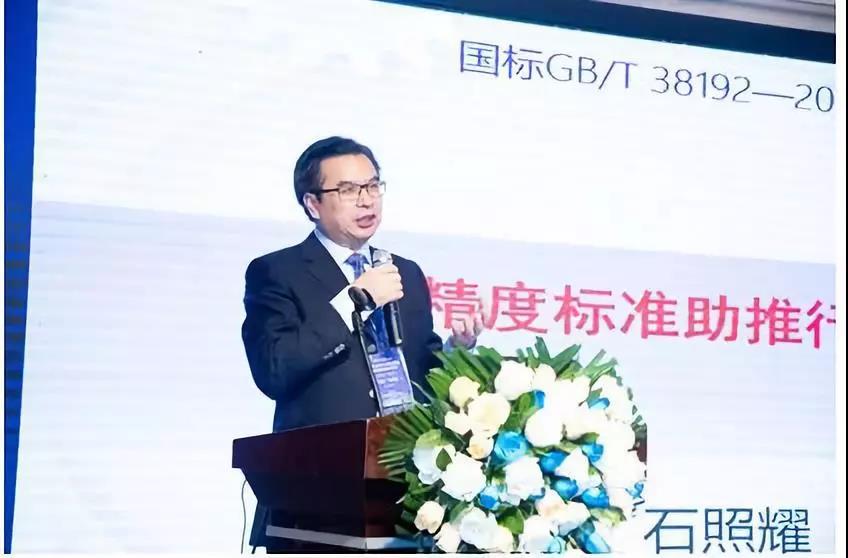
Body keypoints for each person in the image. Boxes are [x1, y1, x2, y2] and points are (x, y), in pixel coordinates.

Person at [241, 136, 484, 551]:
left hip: (407, 491)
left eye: (372, 186)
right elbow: (274, 369)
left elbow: (422, 373)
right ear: (313, 204)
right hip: (317, 496)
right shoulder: (278, 272)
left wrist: (458, 349)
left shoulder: (403, 271)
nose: (366, 200)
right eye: (349, 190)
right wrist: (357, 300)